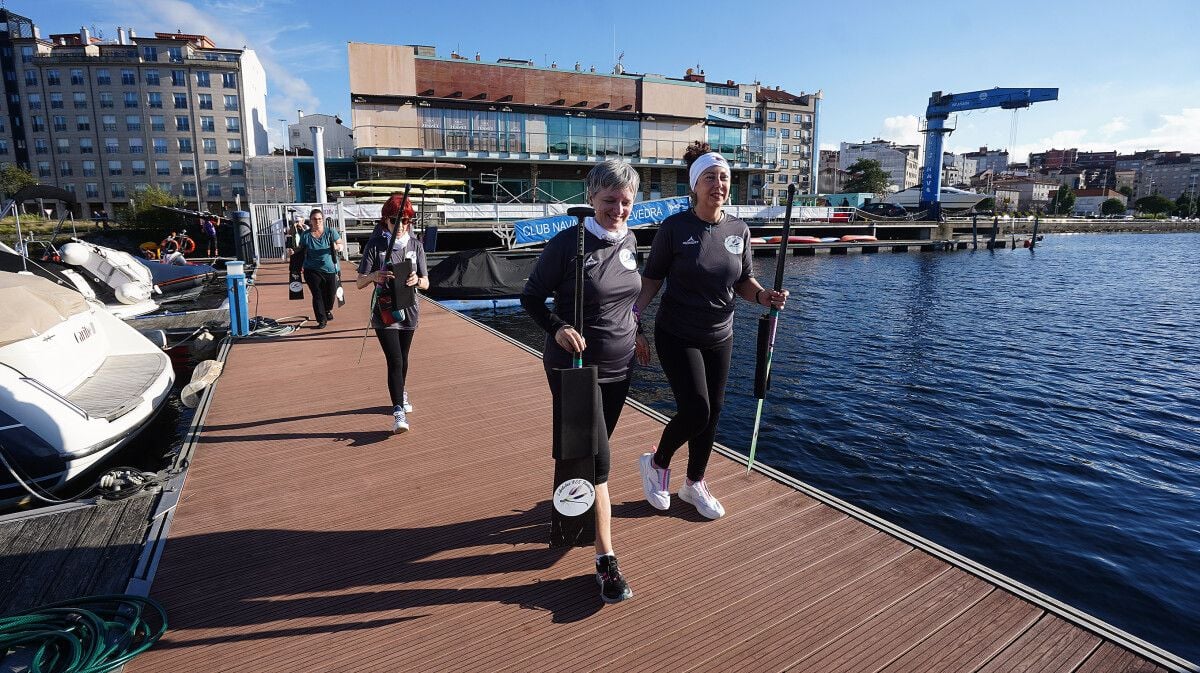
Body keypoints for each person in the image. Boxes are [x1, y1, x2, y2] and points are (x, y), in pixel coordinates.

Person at [633, 142, 788, 520]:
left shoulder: (739, 229)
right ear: (694, 186)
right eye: (709, 178)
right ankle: (657, 462)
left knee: (713, 411)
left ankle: (694, 483)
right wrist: (633, 320)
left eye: (723, 178)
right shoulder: (674, 228)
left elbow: (744, 281)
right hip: (677, 332)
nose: (718, 184)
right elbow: (651, 281)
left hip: (720, 334)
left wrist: (764, 296)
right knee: (697, 408)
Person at [521, 159, 647, 604]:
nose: (618, 209)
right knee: (600, 462)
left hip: (621, 366)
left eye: (626, 201)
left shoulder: (631, 240)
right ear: (591, 198)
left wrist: (641, 333)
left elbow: (628, 299)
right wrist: (556, 326)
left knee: (593, 453)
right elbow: (531, 297)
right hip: (575, 370)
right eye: (610, 200)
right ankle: (605, 561)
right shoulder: (567, 244)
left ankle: (575, 502)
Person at [356, 194, 428, 434]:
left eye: (406, 220)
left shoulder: (416, 245)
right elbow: (358, 282)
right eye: (395, 220)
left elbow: (427, 282)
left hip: (409, 309)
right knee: (394, 360)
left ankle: (402, 390)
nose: (401, 226)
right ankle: (398, 411)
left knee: (404, 358)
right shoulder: (375, 246)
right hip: (385, 311)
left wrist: (417, 279)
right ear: (385, 220)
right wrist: (373, 276)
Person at [297, 208, 343, 328]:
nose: (317, 221)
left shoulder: (330, 232)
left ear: (323, 220)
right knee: (317, 294)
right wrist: (292, 253)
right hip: (311, 269)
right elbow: (300, 250)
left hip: (330, 268)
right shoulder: (306, 235)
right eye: (314, 219)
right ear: (310, 221)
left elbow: (341, 244)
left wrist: (337, 247)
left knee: (330, 294)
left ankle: (327, 310)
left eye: (319, 219)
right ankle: (321, 320)